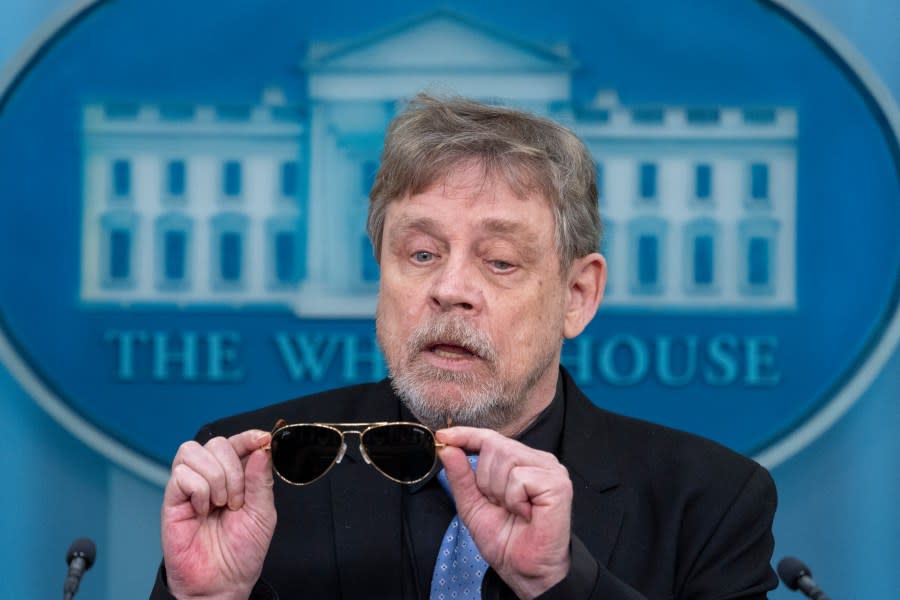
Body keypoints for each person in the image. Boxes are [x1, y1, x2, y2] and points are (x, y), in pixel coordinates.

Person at [150, 94, 778, 600]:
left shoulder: (709, 502)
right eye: (421, 254)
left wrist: (563, 585)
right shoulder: (256, 473)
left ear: (577, 295)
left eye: (500, 261)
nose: (450, 290)